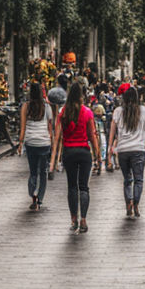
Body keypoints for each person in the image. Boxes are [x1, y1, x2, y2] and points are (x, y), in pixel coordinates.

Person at [51, 82, 99, 233]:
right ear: (81, 96)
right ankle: (83, 220)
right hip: (84, 152)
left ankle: (73, 220)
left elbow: (57, 137)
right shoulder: (87, 112)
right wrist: (98, 155)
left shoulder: (63, 113)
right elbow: (92, 136)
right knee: (83, 187)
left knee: (72, 187)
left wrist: (53, 160)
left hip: (69, 152)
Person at [108, 83, 145, 218]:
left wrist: (110, 148)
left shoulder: (118, 111)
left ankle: (128, 203)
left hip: (123, 150)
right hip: (138, 149)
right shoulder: (143, 110)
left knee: (127, 179)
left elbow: (112, 132)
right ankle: (136, 204)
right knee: (139, 179)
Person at [18, 80, 54, 210]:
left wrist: (20, 143)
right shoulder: (47, 107)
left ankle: (32, 195)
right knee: (43, 172)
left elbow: (22, 128)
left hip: (31, 142)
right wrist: (52, 142)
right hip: (44, 142)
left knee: (33, 171)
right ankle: (40, 199)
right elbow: (50, 128)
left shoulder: (25, 107)